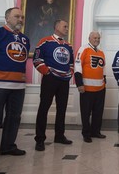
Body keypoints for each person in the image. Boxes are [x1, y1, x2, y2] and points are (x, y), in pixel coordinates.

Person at [0, 7, 30, 166]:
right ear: (7, 18)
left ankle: (8, 146)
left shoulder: (25, 39)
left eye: (22, 17)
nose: (20, 19)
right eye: (17, 16)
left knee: (14, 118)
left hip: (18, 87)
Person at [33, 19, 74, 151]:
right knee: (44, 108)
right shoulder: (45, 41)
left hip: (64, 81)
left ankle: (59, 136)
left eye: (67, 27)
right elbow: (37, 59)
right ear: (56, 27)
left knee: (62, 109)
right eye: (65, 26)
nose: (67, 28)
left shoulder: (69, 45)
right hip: (50, 79)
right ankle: (40, 139)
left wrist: (70, 73)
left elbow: (72, 63)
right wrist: (47, 71)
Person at [74, 31, 106, 143]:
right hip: (86, 88)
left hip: (100, 88)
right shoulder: (83, 49)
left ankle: (96, 131)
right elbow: (77, 66)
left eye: (98, 38)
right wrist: (79, 84)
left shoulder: (101, 52)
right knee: (86, 112)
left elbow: (103, 69)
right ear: (89, 38)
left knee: (98, 112)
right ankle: (86, 133)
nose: (97, 39)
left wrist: (104, 83)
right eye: (94, 38)